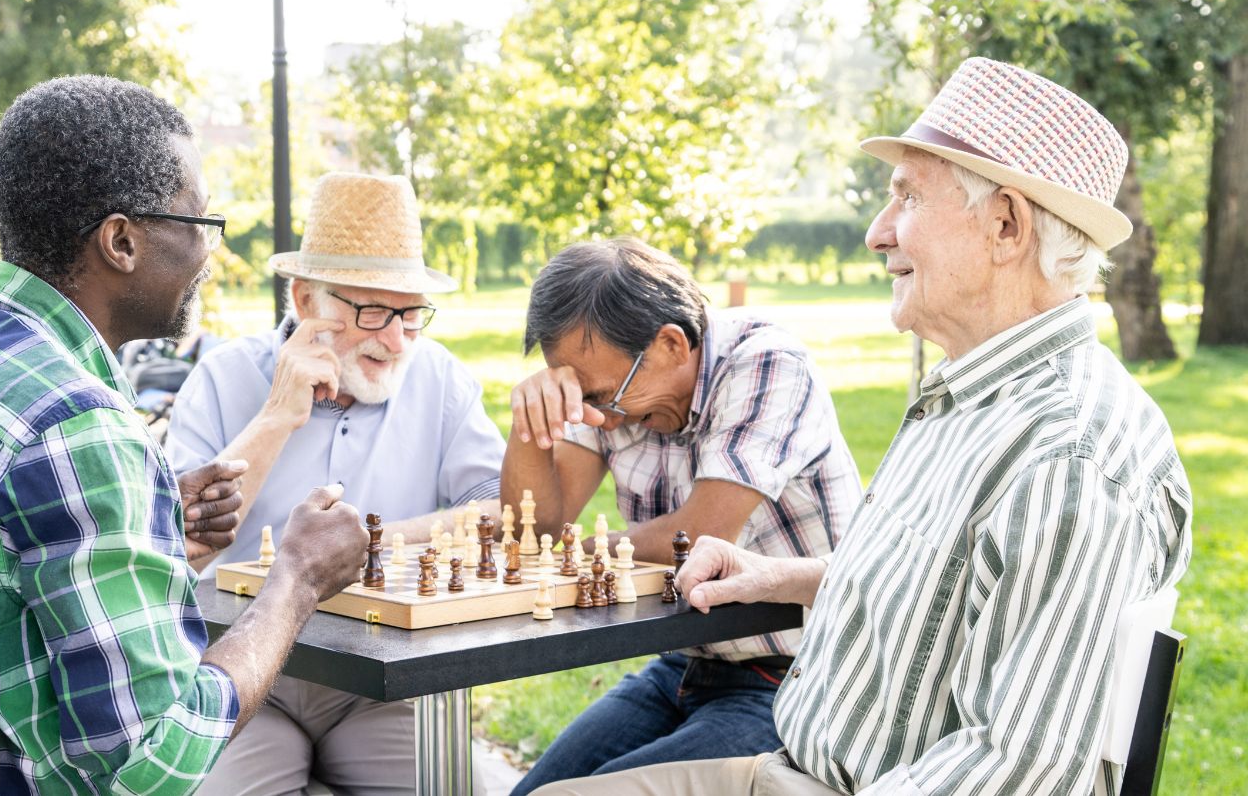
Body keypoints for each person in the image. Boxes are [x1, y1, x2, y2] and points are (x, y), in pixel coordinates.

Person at [531, 57, 1193, 796]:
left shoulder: (1069, 456)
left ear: (1005, 225)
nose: (878, 234)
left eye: (906, 199)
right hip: (797, 762)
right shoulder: (972, 398)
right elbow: (941, 589)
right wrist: (779, 575)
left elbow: (1019, 767)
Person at [0, 76, 368, 795]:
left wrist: (148, 523)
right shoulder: (77, 426)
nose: (209, 254)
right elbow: (153, 764)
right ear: (122, 241)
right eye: (199, 225)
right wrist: (294, 583)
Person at [165, 171, 506, 795]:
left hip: (383, 680)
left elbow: (496, 513)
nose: (397, 339)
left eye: (410, 314)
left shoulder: (439, 377)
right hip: (239, 671)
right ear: (304, 302)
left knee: (460, 789)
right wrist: (276, 417)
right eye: (374, 311)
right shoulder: (221, 377)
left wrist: (362, 546)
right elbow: (184, 549)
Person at [502, 237, 863, 793]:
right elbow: (534, 536)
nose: (595, 418)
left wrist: (584, 549)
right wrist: (532, 426)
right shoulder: (614, 385)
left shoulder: (767, 364)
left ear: (671, 344)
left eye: (597, 397)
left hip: (802, 678)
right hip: (684, 665)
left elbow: (699, 537)